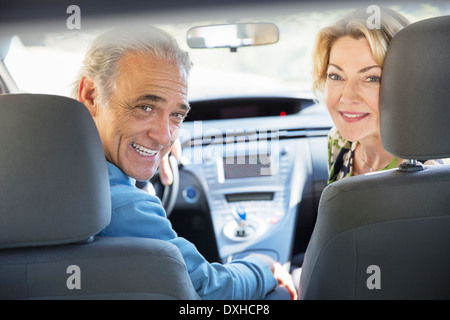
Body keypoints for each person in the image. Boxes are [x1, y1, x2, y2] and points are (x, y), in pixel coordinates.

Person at [72, 26, 296, 300]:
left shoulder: (36, 167)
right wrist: (266, 265)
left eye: (177, 115)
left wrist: (144, 146)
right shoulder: (122, 204)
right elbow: (208, 290)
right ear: (91, 95)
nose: (164, 135)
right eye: (145, 107)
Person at [311, 7, 442, 184]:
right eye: (336, 76)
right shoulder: (338, 141)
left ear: (408, 85)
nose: (347, 97)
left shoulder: (426, 174)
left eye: (371, 78)